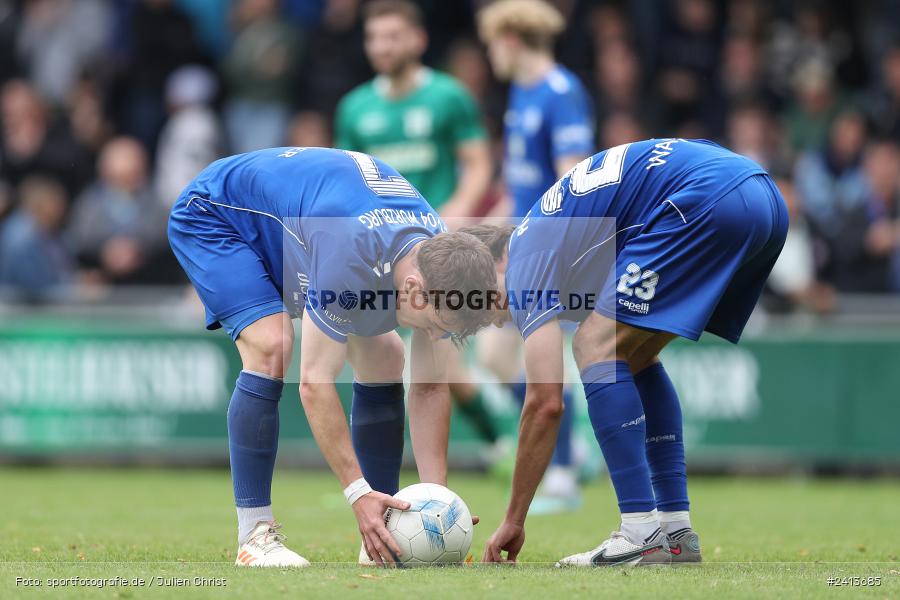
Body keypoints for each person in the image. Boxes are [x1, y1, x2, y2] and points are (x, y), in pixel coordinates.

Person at [168, 146, 498, 567]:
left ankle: (383, 533)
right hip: (217, 214)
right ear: (414, 288)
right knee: (272, 345)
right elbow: (314, 383)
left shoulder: (441, 260)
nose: (434, 335)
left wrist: (438, 503)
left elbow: (431, 386)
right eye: (436, 324)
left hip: (305, 223)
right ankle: (254, 535)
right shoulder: (350, 254)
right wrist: (357, 493)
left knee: (385, 355)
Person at [469, 138, 788, 566]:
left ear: (495, 262)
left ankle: (639, 532)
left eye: (483, 301)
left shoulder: (526, 257)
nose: (493, 320)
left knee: (593, 344)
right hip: (763, 199)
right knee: (633, 357)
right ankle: (675, 532)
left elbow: (545, 402)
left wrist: (513, 518)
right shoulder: (560, 242)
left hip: (708, 197)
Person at [335, 0, 499, 499]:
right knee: (378, 366)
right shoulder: (355, 107)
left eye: (393, 36)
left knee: (441, 370)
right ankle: (378, 484)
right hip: (377, 258)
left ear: (418, 40)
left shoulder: (449, 97)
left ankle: (495, 446)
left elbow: (478, 163)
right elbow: (346, 178)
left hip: (436, 256)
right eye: (374, 37)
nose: (382, 46)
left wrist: (457, 212)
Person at [477, 0, 596, 513]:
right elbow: (520, 184)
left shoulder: (561, 93)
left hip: (550, 244)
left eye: (491, 45)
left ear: (509, 40)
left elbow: (575, 180)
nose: (490, 57)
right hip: (523, 239)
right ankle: (570, 452)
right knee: (495, 356)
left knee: (537, 358)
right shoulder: (521, 93)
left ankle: (564, 472)